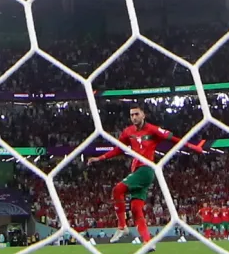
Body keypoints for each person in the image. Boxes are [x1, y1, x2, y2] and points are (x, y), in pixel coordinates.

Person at [87, 105, 205, 245]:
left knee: (117, 190)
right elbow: (119, 149)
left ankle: (122, 226)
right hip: (137, 171)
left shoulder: (153, 130)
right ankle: (148, 242)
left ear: (144, 115)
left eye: (137, 114)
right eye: (131, 115)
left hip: (146, 169)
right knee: (136, 209)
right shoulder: (128, 132)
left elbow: (173, 138)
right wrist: (100, 158)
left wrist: (192, 147)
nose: (134, 117)